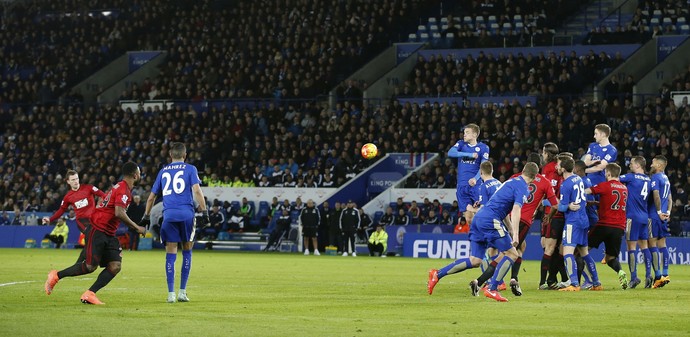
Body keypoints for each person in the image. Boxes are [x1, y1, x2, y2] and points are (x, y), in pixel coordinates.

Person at [427, 162, 538, 302]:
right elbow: (516, 210)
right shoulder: (522, 187)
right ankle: (492, 288)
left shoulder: (511, 182)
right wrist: (515, 233)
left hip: (479, 218)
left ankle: (437, 274)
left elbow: (500, 206)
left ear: (522, 171)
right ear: (534, 177)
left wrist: (509, 228)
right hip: (490, 220)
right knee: (512, 253)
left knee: (475, 260)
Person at [44, 161, 147, 305]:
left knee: (115, 265)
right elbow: (119, 212)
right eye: (139, 172)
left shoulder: (120, 188)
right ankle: (56, 275)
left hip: (108, 232)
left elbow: (107, 200)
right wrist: (137, 227)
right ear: (135, 175)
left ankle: (89, 294)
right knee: (89, 267)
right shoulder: (123, 189)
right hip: (97, 229)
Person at [140, 142, 209, 303]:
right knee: (187, 250)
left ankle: (170, 294)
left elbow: (151, 197)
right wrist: (204, 211)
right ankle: (182, 292)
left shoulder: (163, 171)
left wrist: (146, 216)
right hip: (187, 215)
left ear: (171, 155)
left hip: (169, 216)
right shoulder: (190, 169)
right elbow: (197, 190)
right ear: (184, 156)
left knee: (170, 253)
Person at [556, 156, 602, 292]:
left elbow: (563, 207)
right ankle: (596, 282)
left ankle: (574, 284)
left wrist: (557, 204)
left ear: (563, 168)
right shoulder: (579, 179)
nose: (557, 167)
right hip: (584, 220)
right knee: (585, 253)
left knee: (567, 253)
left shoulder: (566, 184)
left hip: (573, 221)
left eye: (558, 165)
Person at [585, 163, 629, 289]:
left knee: (581, 251)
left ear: (608, 173)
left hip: (604, 225)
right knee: (610, 258)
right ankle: (620, 271)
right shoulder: (624, 188)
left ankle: (583, 281)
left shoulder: (605, 185)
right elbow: (611, 201)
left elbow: (588, 191)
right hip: (619, 227)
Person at [447, 123, 490, 225]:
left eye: (467, 132)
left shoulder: (484, 148)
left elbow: (483, 167)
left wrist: (475, 178)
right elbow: (450, 153)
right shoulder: (461, 144)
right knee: (469, 219)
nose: (464, 135)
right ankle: (475, 238)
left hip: (476, 185)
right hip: (462, 184)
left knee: (480, 216)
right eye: (464, 132)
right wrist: (468, 155)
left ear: (475, 135)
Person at [619, 156, 652, 288]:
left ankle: (634, 277)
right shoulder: (649, 180)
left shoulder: (631, 177)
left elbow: (614, 178)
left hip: (632, 216)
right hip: (645, 217)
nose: (630, 165)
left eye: (632, 163)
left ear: (638, 165)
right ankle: (649, 275)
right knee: (644, 246)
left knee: (631, 247)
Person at [43, 169, 106, 234]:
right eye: (73, 180)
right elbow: (61, 210)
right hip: (82, 221)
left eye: (76, 179)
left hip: (94, 218)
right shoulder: (68, 197)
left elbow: (104, 195)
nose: (76, 181)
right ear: (68, 181)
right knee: (92, 234)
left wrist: (101, 203)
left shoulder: (89, 188)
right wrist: (50, 219)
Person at [648, 155, 672, 288]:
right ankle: (666, 273)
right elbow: (670, 199)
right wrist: (667, 213)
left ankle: (658, 276)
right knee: (663, 245)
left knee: (652, 245)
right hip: (663, 216)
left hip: (654, 216)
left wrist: (658, 212)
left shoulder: (656, 178)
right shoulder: (666, 178)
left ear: (658, 165)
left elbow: (656, 195)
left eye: (653, 163)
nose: (651, 165)